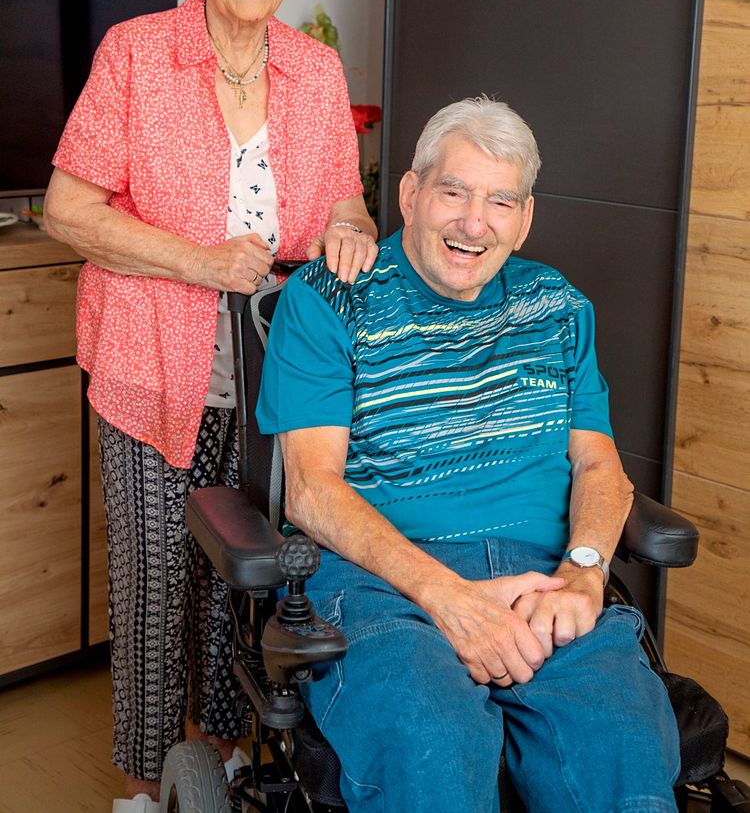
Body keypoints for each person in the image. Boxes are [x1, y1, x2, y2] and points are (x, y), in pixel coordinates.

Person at [43, 0, 378, 812]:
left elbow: (341, 207)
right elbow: (67, 209)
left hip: (275, 367)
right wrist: (199, 261)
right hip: (153, 357)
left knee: (247, 570)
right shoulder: (138, 53)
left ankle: (225, 762)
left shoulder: (316, 72)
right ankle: (148, 790)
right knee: (155, 583)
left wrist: (351, 236)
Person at [256, 96, 681, 813]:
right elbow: (311, 491)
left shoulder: (558, 306)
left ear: (526, 217)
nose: (474, 223)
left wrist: (583, 574)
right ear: (411, 194)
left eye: (499, 201)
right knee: (435, 747)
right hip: (381, 587)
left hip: (543, 584)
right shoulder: (331, 297)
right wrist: (448, 598)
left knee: (622, 746)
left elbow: (600, 467)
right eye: (453, 192)